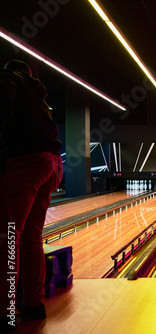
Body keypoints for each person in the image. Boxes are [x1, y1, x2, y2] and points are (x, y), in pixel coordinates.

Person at [0, 60, 63, 331]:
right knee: (30, 237)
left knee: (8, 236)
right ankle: (34, 304)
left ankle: (6, 313)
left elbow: (2, 112)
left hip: (26, 161)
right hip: (52, 164)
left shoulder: (8, 78)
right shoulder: (39, 97)